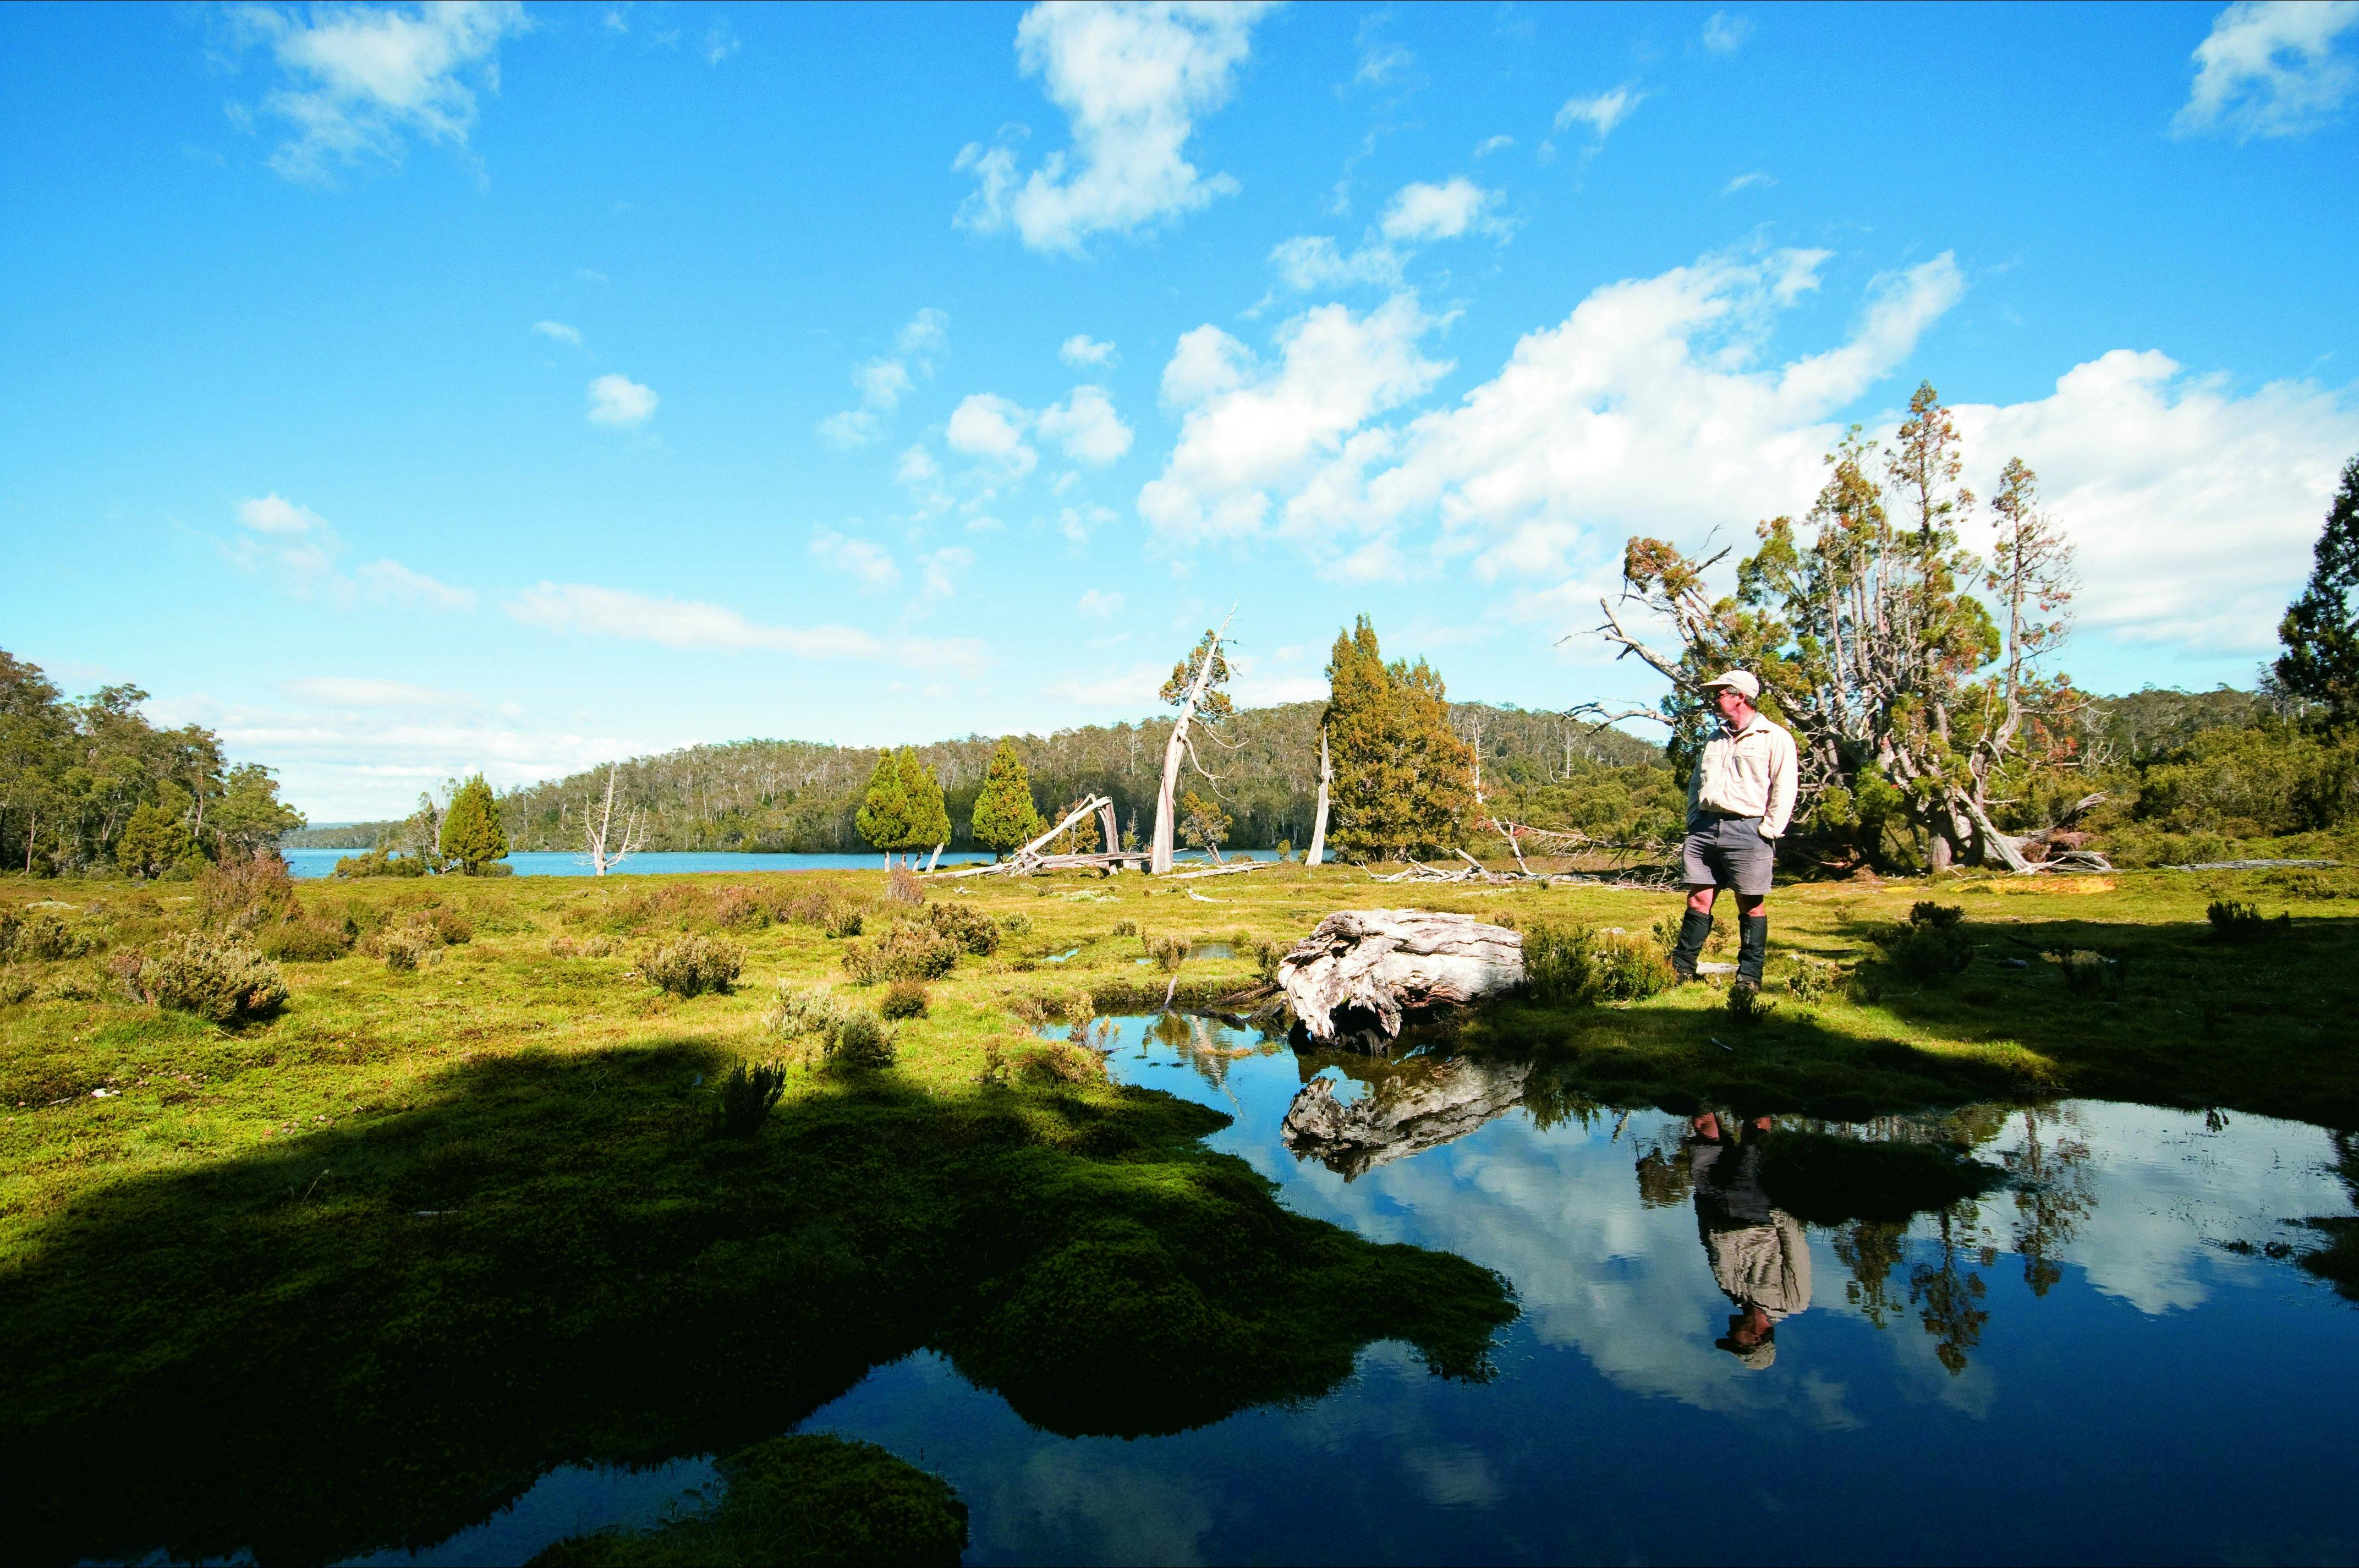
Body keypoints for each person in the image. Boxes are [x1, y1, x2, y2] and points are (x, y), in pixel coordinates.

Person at [1667, 670, 1797, 997]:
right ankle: (1681, 970)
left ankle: (1749, 977)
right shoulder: (1715, 738)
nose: (1714, 699)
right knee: (1698, 898)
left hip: (1749, 829)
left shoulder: (1775, 736)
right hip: (1706, 827)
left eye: (1720, 693)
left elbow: (1785, 786)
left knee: (1750, 903)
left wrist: (1769, 829)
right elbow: (1697, 781)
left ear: (1740, 696)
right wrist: (1694, 819)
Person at [1687, 1111, 1811, 1370]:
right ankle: (1758, 1092)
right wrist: (1782, 1207)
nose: (1730, 1333)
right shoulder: (1794, 1302)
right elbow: (1796, 1252)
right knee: (1754, 1140)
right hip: (1756, 1213)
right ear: (1756, 1340)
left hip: (1716, 1207)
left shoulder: (1732, 1292)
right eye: (1736, 1342)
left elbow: (1710, 1246)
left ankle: (1706, 1097)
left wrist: (1701, 1206)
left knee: (1704, 1132)